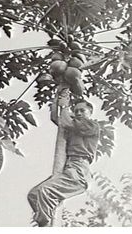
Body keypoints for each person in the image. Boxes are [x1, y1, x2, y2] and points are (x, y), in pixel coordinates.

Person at [27, 97, 100, 227]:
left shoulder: (91, 125)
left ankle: (45, 222)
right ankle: (44, 218)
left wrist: (65, 106)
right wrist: (57, 98)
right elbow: (57, 119)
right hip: (68, 167)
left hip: (79, 170)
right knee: (33, 194)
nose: (78, 113)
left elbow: (65, 121)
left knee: (45, 190)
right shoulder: (73, 126)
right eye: (76, 110)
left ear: (90, 112)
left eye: (82, 110)